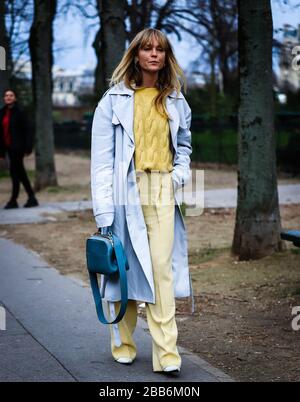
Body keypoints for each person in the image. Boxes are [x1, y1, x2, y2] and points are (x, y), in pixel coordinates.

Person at [90, 28, 193, 375]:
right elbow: (102, 161)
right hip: (125, 193)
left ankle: (167, 353)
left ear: (166, 56)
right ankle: (123, 342)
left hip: (162, 189)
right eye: (147, 49)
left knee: (162, 269)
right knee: (125, 268)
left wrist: (178, 175)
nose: (154, 54)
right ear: (135, 54)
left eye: (160, 49)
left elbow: (185, 145)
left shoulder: (176, 99)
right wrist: (104, 210)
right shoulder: (112, 101)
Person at [0, 89, 38, 209]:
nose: (8, 97)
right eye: (6, 95)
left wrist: (28, 147)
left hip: (18, 146)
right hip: (8, 147)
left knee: (15, 171)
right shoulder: (2, 112)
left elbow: (29, 129)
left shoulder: (20, 112)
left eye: (11, 95)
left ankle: (14, 200)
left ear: (15, 98)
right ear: (4, 98)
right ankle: (31, 197)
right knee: (18, 172)